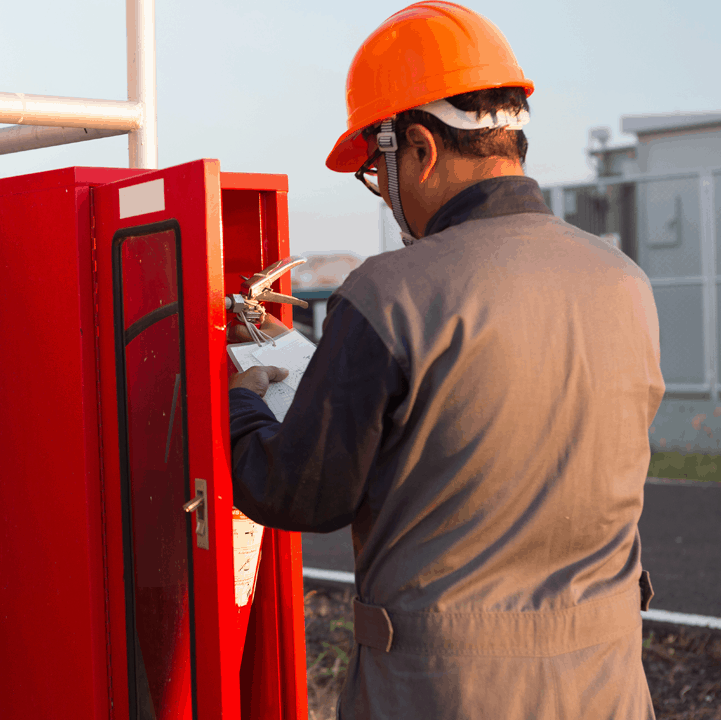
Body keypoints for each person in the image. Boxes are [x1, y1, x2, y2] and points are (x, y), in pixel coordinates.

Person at [228, 2, 664, 718]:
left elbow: (300, 493)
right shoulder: (624, 282)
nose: (386, 194)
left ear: (420, 147)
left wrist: (241, 399)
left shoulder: (390, 293)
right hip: (607, 687)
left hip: (441, 694)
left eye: (377, 170)